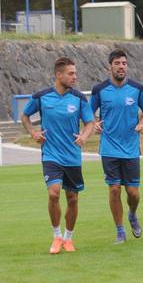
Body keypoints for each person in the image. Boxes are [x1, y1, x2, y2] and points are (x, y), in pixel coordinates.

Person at [21, 57, 95, 254]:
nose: (75, 77)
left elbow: (90, 123)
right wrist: (33, 133)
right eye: (71, 74)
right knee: (53, 193)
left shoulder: (79, 98)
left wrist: (84, 136)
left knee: (72, 198)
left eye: (75, 73)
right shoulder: (42, 97)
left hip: (72, 156)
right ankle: (56, 236)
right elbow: (24, 115)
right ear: (58, 75)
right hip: (51, 155)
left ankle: (68, 238)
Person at [90, 49, 143, 243]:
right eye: (117, 63)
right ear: (110, 67)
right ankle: (120, 231)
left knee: (133, 192)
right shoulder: (99, 90)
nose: (121, 66)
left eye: (124, 63)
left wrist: (142, 123)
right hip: (109, 147)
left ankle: (132, 214)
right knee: (114, 189)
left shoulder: (137, 88)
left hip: (131, 147)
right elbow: (89, 113)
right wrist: (94, 122)